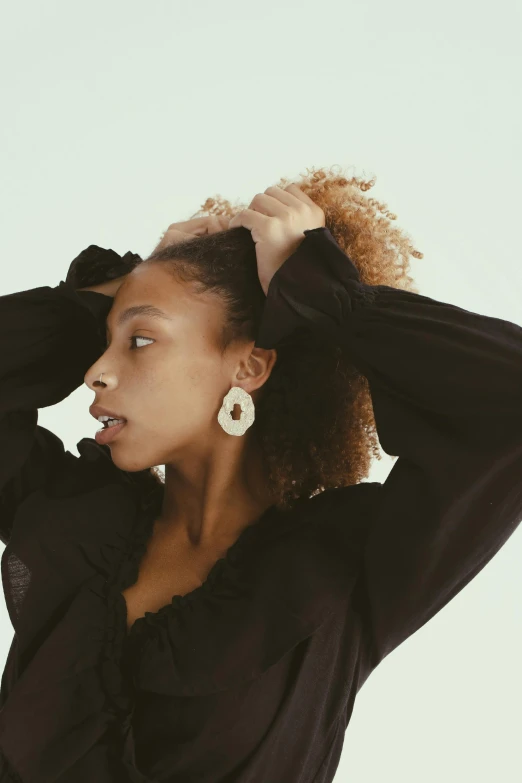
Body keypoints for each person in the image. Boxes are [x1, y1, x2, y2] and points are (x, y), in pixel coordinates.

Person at [0, 166, 520, 783]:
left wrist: (328, 297)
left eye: (139, 340)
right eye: (101, 343)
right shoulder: (78, 521)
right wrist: (104, 296)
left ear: (248, 367)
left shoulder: (343, 563)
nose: (96, 373)